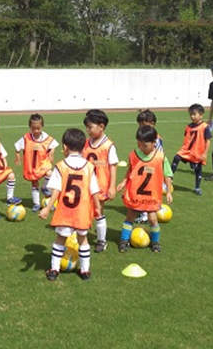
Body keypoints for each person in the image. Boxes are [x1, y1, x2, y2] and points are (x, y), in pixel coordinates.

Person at [39, 128, 101, 281]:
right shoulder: (89, 166)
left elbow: (56, 190)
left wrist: (47, 208)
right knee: (83, 240)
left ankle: (54, 269)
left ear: (65, 147)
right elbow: (94, 191)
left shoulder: (61, 166)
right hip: (82, 212)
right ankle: (85, 271)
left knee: (60, 238)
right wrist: (98, 207)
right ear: (83, 147)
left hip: (66, 212)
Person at [116, 125, 172, 253]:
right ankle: (124, 240)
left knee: (153, 219)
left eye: (145, 145)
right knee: (130, 216)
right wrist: (124, 182)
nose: (141, 147)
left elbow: (167, 175)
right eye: (139, 144)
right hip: (135, 193)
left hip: (152, 195)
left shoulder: (160, 157)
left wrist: (168, 191)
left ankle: (155, 241)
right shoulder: (134, 155)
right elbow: (130, 170)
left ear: (154, 142)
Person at [82, 109, 118, 253]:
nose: (87, 130)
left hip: (101, 185)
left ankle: (101, 241)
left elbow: (113, 166)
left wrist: (112, 186)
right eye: (87, 127)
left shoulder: (108, 145)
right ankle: (81, 234)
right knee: (85, 210)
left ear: (101, 127)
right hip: (85, 185)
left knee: (99, 211)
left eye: (90, 127)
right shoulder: (85, 143)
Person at [134, 109, 174, 223]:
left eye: (143, 124)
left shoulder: (155, 139)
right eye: (139, 124)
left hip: (153, 169)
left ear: (152, 124)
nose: (140, 126)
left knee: (147, 192)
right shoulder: (147, 136)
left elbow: (159, 156)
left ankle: (146, 214)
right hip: (149, 168)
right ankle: (150, 210)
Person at [14, 114, 59, 212]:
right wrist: (17, 154)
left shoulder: (47, 138)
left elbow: (54, 143)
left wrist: (52, 151)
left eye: (38, 128)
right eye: (33, 128)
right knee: (34, 183)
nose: (36, 131)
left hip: (43, 164)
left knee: (50, 173)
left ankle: (45, 187)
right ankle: (36, 204)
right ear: (30, 127)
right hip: (32, 166)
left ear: (42, 126)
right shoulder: (26, 138)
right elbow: (17, 146)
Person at [171, 104, 212, 195]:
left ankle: (197, 188)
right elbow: (187, 138)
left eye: (194, 114)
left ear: (201, 115)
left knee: (198, 169)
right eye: (190, 114)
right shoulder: (188, 127)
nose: (192, 117)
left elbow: (208, 140)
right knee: (176, 157)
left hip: (197, 152)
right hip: (186, 151)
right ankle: (170, 178)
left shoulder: (205, 127)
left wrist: (205, 153)